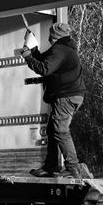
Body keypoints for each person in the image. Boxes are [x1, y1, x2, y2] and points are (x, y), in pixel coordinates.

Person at [22, 22, 86, 178]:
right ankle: (50, 166)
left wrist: (28, 57)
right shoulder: (64, 48)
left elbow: (45, 69)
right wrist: (34, 48)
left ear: (55, 35)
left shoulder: (61, 49)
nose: (49, 37)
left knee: (60, 130)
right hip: (70, 95)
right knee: (53, 130)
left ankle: (72, 167)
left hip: (66, 96)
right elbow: (46, 60)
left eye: (51, 34)